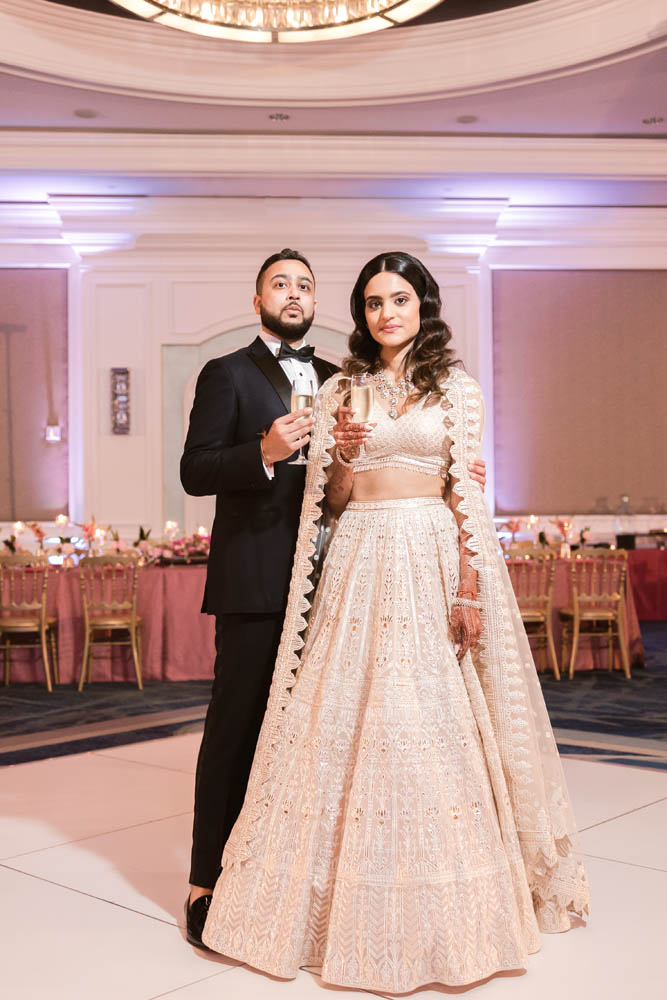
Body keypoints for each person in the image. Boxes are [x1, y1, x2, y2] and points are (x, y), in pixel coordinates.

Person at [201, 251, 590, 992]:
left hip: (429, 557)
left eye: (399, 299)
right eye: (374, 301)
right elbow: (335, 502)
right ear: (362, 313)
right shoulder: (342, 388)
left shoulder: (459, 391)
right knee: (339, 720)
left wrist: (469, 591)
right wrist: (338, 460)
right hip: (357, 556)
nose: (386, 313)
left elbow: (465, 501)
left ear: (422, 307)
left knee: (423, 718)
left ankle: (446, 898)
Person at [180, 246, 491, 948]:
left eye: (304, 286)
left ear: (319, 302)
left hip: (340, 575)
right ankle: (206, 880)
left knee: (310, 737)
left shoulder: (339, 378)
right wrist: (261, 450)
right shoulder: (225, 373)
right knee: (237, 728)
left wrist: (451, 463)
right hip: (260, 576)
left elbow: (372, 470)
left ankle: (290, 867)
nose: (292, 295)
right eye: (278, 285)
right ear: (256, 296)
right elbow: (194, 471)